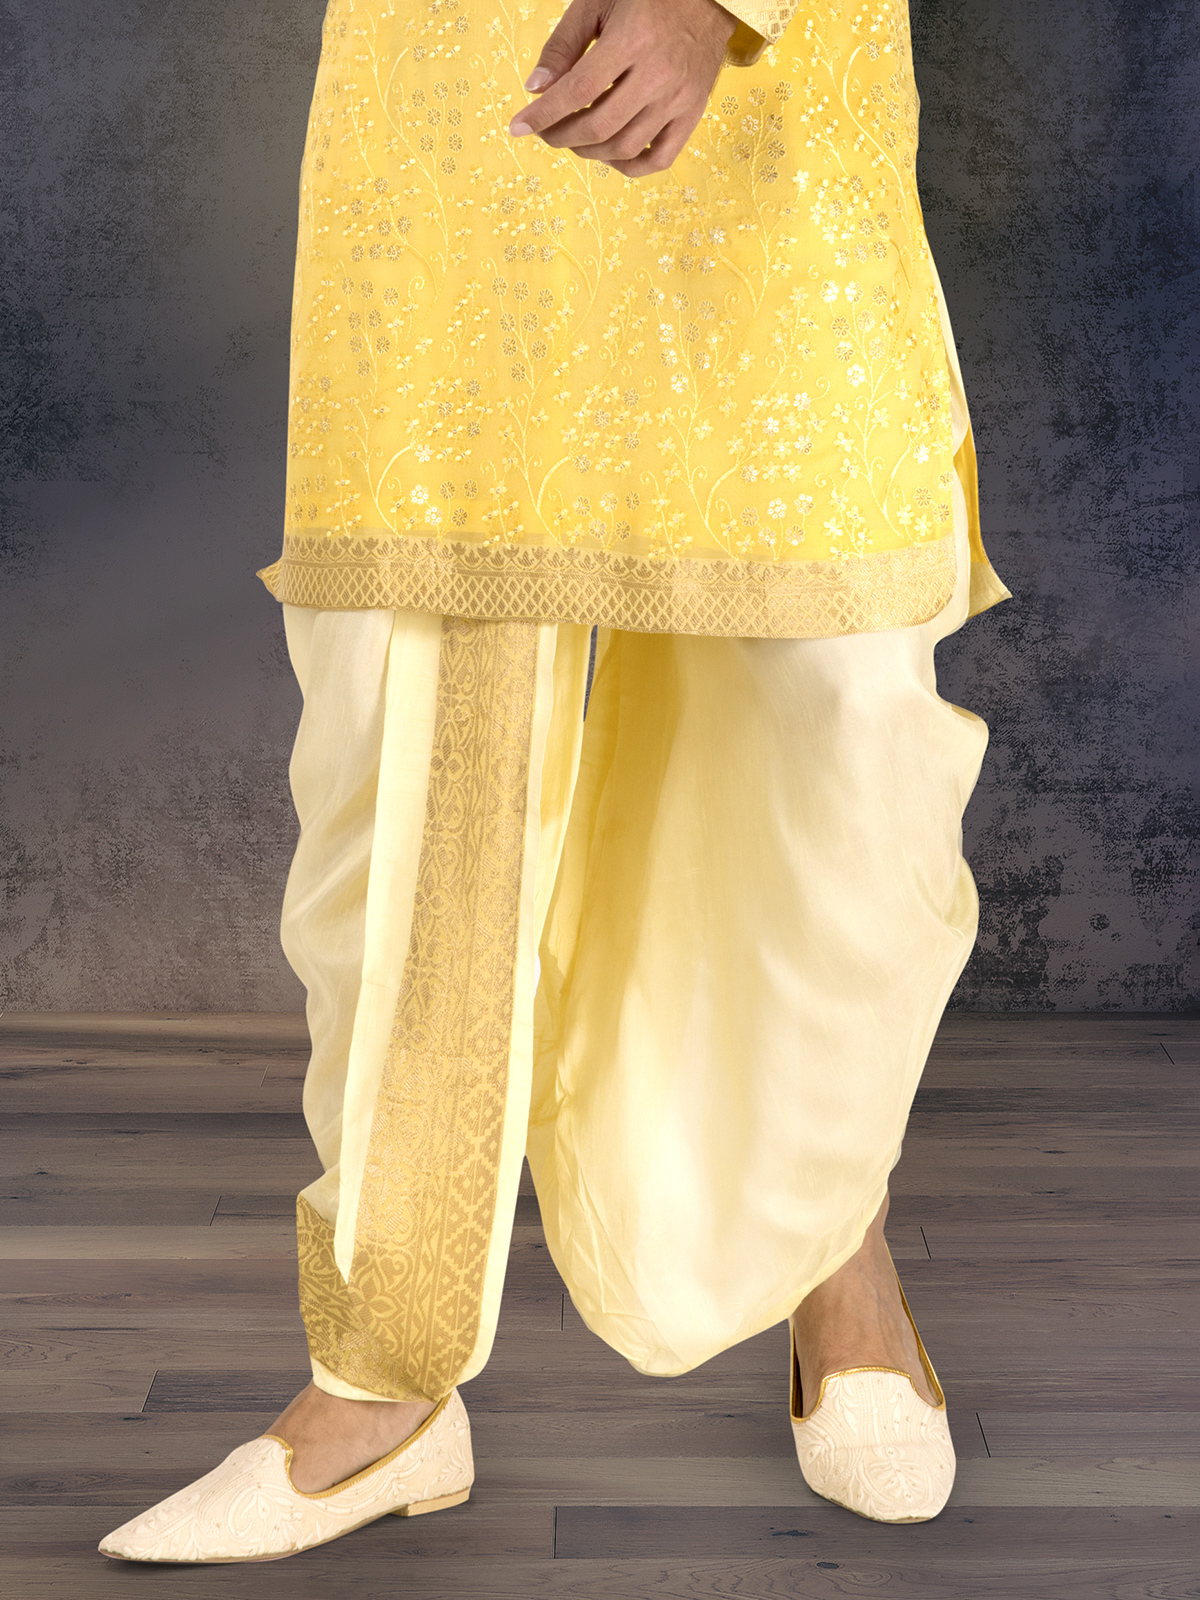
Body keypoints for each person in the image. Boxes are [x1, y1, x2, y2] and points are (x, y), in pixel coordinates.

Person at [100, 0, 1011, 1562]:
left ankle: (833, 1250)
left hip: (777, 104)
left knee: (831, 723)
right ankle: (384, 1385)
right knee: (412, 735)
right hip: (455, 92)